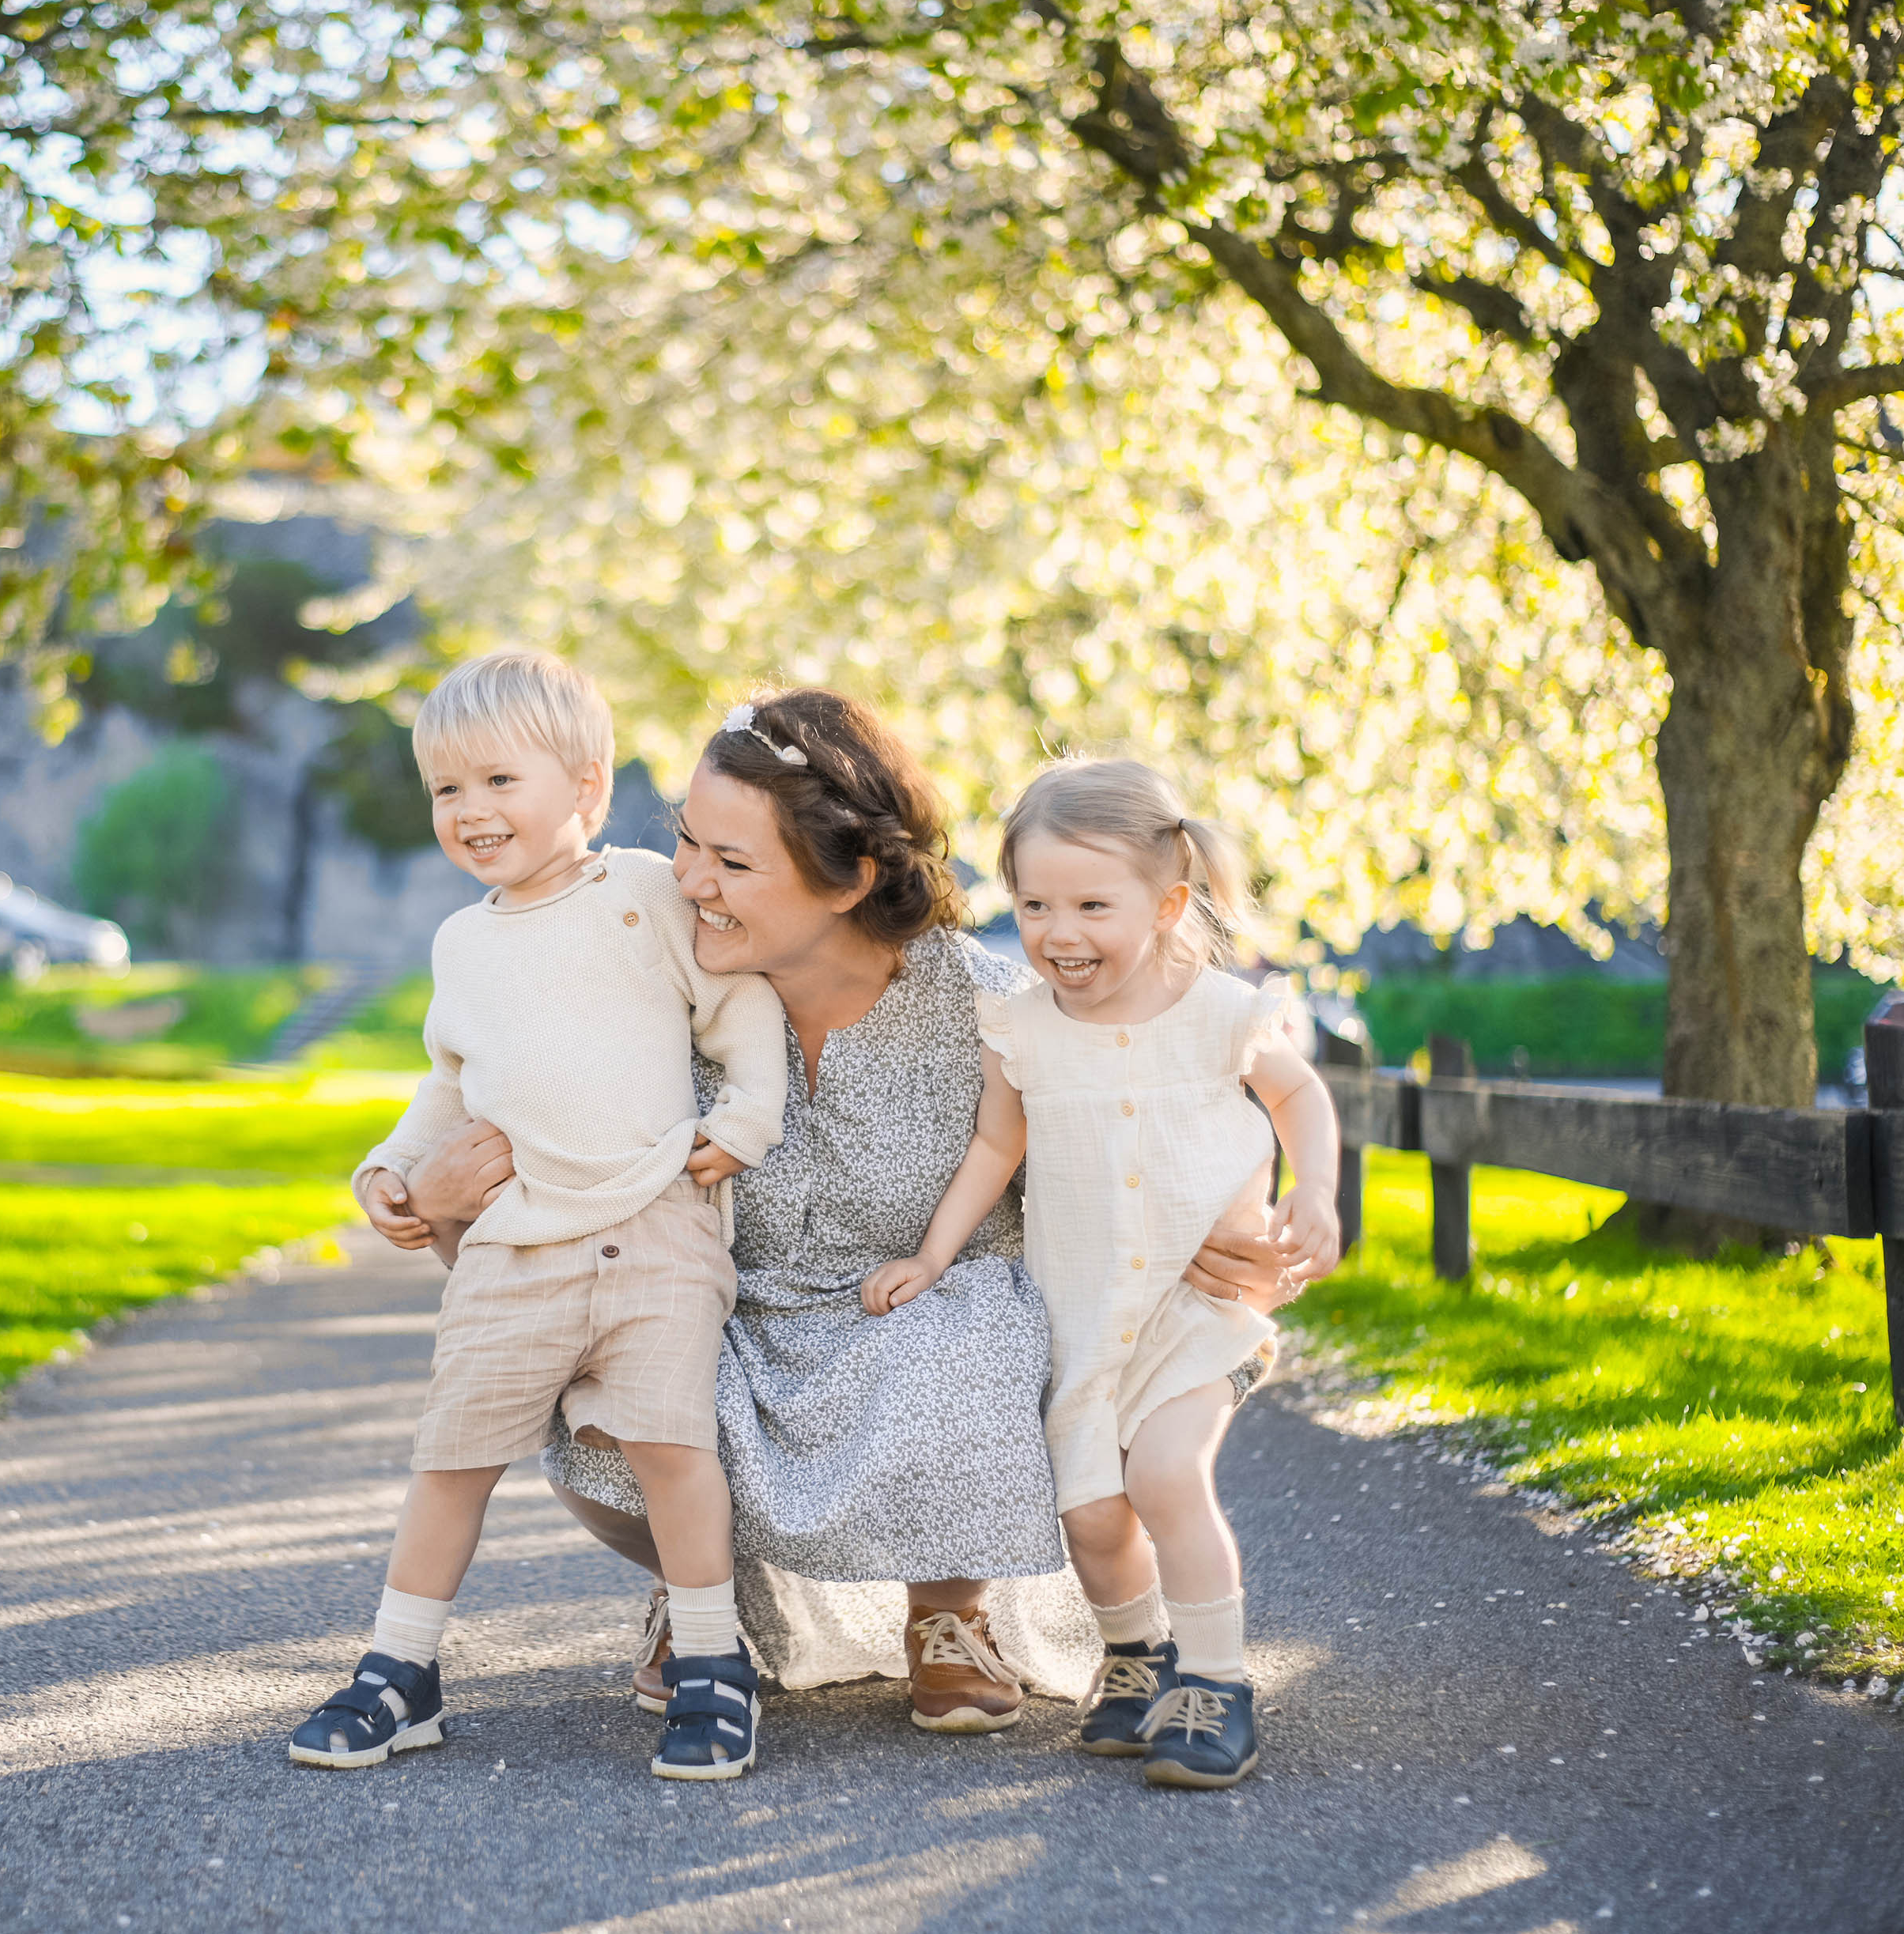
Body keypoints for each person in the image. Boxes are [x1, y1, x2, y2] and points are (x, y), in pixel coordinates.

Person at [399, 692, 1327, 1732]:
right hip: (728, 1336)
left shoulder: (987, 1008)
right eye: (686, 844)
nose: (691, 882)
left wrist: (1213, 1232)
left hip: (917, 1325)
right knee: (607, 1378)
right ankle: (708, 1604)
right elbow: (535, 1264)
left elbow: (1128, 1132)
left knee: (966, 1325)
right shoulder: (639, 1001)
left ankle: (950, 1611)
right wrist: (441, 1213)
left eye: (733, 864)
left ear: (850, 879)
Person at [285, 651, 788, 1783]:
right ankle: (400, 1670)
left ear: (589, 790)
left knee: (672, 1444)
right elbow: (449, 1081)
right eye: (448, 791)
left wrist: (750, 1117)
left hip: (657, 1223)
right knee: (451, 1456)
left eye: (499, 782)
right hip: (517, 1247)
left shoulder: (650, 893)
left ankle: (712, 1661)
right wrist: (394, 1168)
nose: (471, 812)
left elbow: (736, 1007)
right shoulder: (463, 944)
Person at [866, 757, 1340, 1789]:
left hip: (1194, 1307)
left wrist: (1317, 1194)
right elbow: (995, 1152)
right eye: (1036, 904)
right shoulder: (1023, 1027)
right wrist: (930, 1255)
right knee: (1093, 1516)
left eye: (1092, 904)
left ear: (1168, 904)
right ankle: (1135, 1658)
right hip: (1078, 1319)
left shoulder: (1220, 1011)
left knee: (1166, 1477)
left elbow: (1301, 1098)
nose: (1060, 931)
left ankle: (1216, 1684)